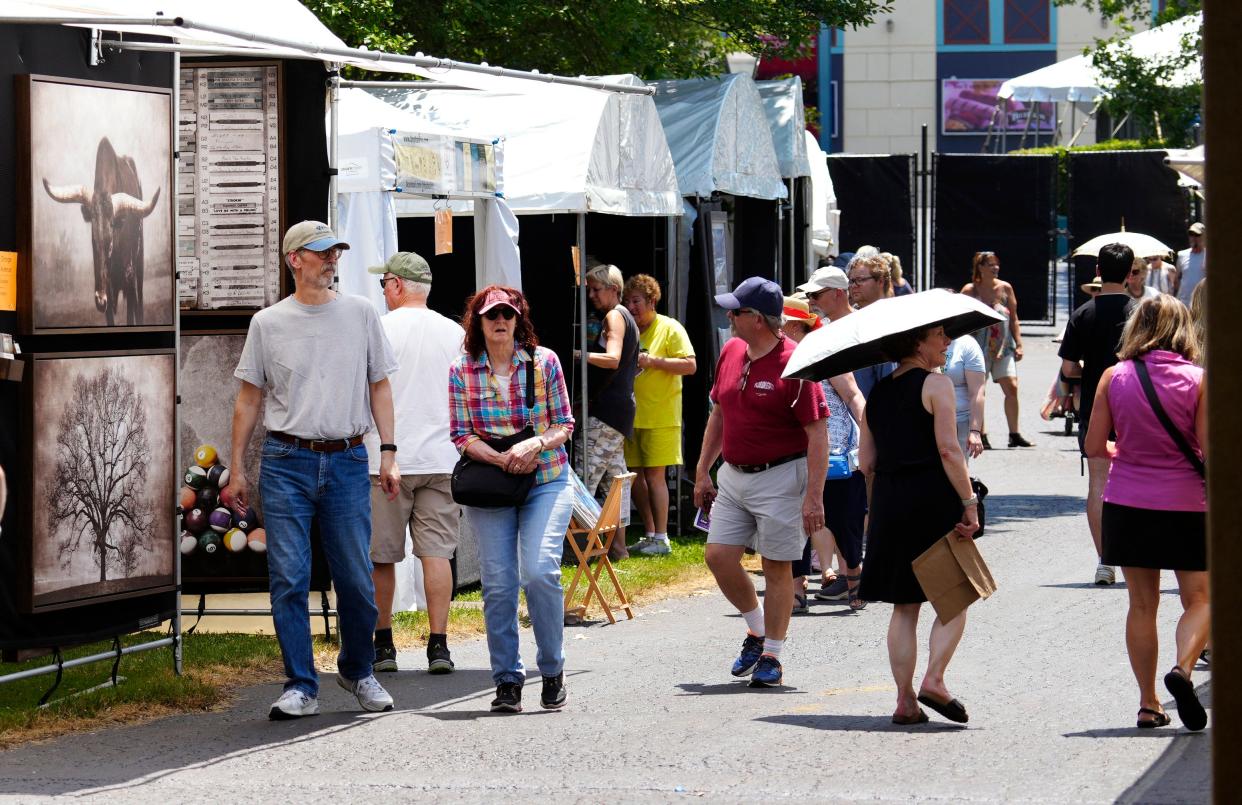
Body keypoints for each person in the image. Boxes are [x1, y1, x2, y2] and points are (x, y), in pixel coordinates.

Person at [230, 220, 399, 720]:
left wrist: (388, 452)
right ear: (294, 260)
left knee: (355, 577)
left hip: (347, 458)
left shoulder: (362, 314)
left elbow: (380, 386)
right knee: (288, 577)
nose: (332, 260)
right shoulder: (268, 323)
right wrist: (237, 467)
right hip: (286, 461)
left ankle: (357, 668)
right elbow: (248, 398)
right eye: (322, 252)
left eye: (336, 252)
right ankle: (301, 683)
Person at [694, 277, 827, 687]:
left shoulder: (797, 363)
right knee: (717, 555)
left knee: (776, 566)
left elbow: (817, 433)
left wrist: (814, 498)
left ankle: (773, 654)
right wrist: (703, 470)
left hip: (783, 475)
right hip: (734, 474)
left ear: (758, 319)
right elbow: (718, 413)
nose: (729, 316)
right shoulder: (733, 350)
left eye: (736, 310)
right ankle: (756, 629)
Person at [448, 286, 576, 713]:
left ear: (519, 320)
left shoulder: (545, 362)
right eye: (491, 315)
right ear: (478, 323)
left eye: (508, 314)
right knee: (499, 584)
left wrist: (534, 444)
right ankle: (506, 679)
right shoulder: (460, 370)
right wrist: (500, 457)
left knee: (540, 572)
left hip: (546, 478)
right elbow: (460, 434)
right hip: (493, 483)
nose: (500, 321)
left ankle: (552, 669)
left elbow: (565, 424)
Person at [1084, 295, 1208, 731]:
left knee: (1142, 605)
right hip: (1188, 504)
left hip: (1128, 502)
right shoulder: (1198, 380)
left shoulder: (1112, 376)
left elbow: (1094, 448)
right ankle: (1183, 670)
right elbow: (1210, 452)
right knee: (1202, 599)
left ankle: (1148, 702)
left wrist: (1127, 450)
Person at [857, 324, 980, 725]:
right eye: (941, 336)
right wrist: (969, 501)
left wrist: (875, 512)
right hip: (932, 500)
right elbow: (949, 449)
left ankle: (905, 700)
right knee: (957, 597)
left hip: (891, 501)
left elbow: (867, 463)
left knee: (904, 606)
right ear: (917, 342)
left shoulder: (875, 394)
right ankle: (935, 679)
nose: (947, 343)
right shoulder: (937, 384)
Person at [363, 252, 464, 675]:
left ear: (399, 285)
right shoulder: (455, 331)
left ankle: (383, 643)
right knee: (436, 554)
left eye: (384, 282)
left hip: (385, 457)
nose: (383, 290)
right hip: (443, 457)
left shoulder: (379, 328)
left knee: (382, 556)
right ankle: (439, 644)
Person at [782, 295, 868, 612]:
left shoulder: (826, 355)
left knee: (843, 522)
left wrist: (870, 441)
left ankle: (855, 578)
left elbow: (854, 397)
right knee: (794, 523)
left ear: (793, 326)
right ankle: (797, 589)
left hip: (836, 455)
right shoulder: (779, 359)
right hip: (792, 455)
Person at [1059, 243, 1138, 586]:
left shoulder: (1082, 314)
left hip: (1095, 408)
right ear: (1130, 271)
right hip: (1137, 407)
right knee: (1139, 480)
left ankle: (1106, 560)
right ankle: (1136, 554)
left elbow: (1068, 368)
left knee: (1098, 484)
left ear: (1098, 271)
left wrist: (1087, 373)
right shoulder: (1141, 313)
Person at [800, 265, 878, 602]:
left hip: (860, 433)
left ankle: (859, 576)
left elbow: (861, 391)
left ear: (836, 293)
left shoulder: (867, 328)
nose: (812, 302)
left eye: (816, 295)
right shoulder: (822, 335)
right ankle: (843, 577)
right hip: (841, 441)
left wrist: (874, 436)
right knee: (839, 513)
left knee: (856, 512)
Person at [621, 274, 697, 556]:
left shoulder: (670, 328)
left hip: (662, 416)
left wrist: (653, 361)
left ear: (652, 301)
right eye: (627, 301)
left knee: (655, 477)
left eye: (636, 301)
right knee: (634, 477)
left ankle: (662, 537)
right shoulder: (628, 329)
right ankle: (651, 533)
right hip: (632, 416)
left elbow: (690, 366)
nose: (631, 306)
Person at [579, 263, 640, 559]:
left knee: (583, 476)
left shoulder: (615, 316)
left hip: (607, 412)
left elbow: (613, 358)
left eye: (596, 289)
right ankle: (619, 548)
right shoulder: (625, 317)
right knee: (617, 481)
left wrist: (579, 354)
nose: (590, 295)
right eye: (588, 289)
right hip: (620, 409)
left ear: (614, 289)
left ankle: (581, 549)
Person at [961, 251, 1031, 449]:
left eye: (996, 264)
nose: (995, 268)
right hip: (977, 348)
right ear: (980, 267)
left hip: (1003, 347)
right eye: (990, 264)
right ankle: (980, 434)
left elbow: (1014, 318)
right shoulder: (970, 290)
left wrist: (1019, 343)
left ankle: (1014, 434)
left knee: (1012, 387)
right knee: (978, 390)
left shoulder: (1005, 288)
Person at [942, 335, 986, 460]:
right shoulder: (921, 340)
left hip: (959, 421)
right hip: (926, 419)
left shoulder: (967, 344)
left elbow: (977, 392)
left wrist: (975, 431)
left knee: (956, 469)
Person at [1175, 222, 1205, 304]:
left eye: (1197, 235)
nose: (1193, 237)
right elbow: (1176, 279)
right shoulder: (1182, 255)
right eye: (1191, 234)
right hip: (1184, 303)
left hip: (1202, 304)